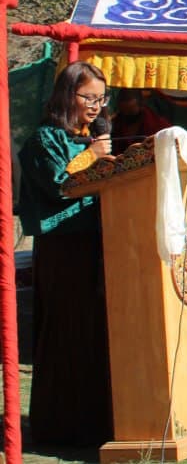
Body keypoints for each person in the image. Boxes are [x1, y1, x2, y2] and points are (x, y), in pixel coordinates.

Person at [17, 61, 114, 446]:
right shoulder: (46, 139)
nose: (95, 105)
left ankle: (96, 421)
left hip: (97, 244)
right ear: (66, 94)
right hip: (63, 250)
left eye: (101, 98)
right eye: (88, 96)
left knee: (94, 334)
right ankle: (61, 427)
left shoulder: (91, 138)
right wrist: (93, 156)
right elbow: (60, 186)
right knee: (66, 332)